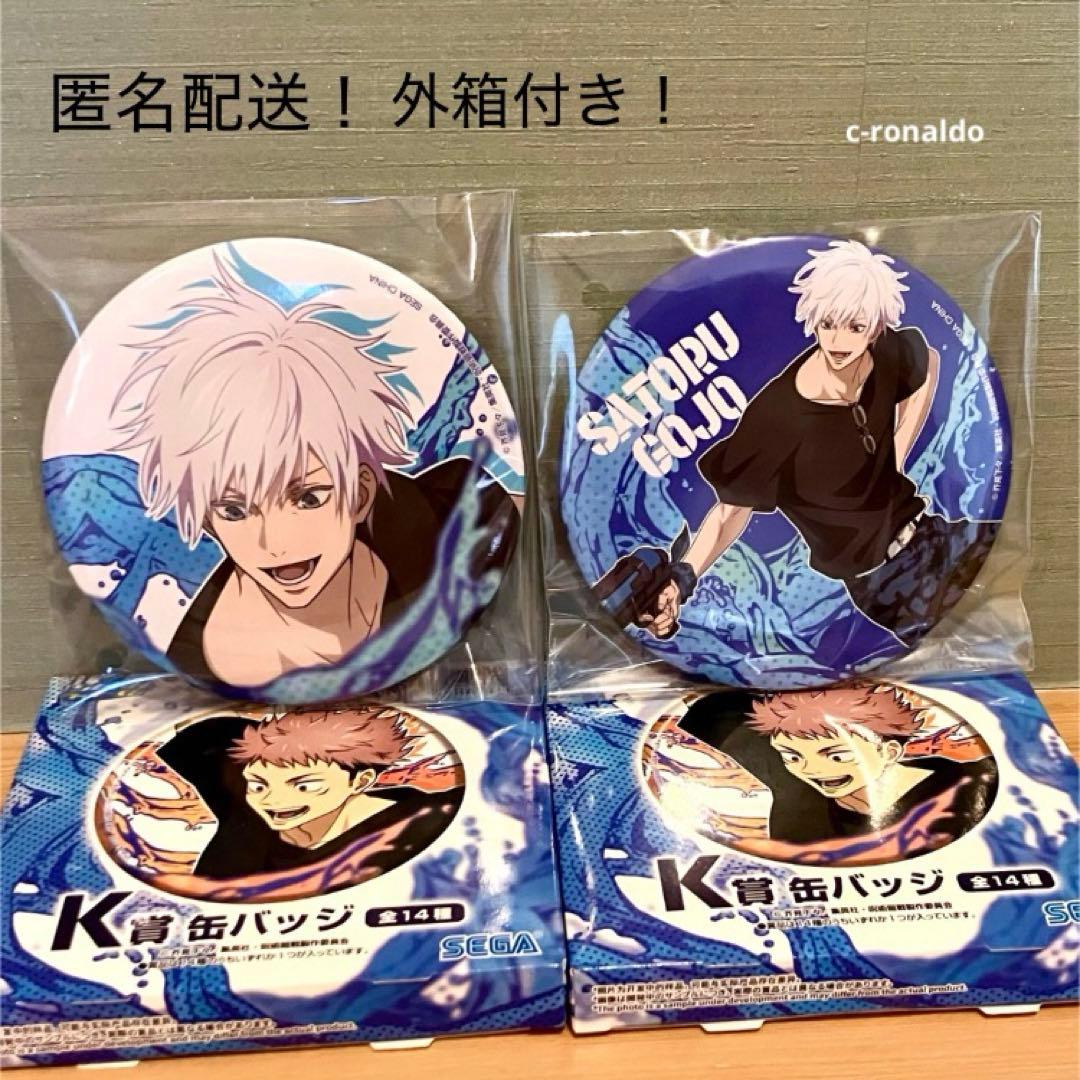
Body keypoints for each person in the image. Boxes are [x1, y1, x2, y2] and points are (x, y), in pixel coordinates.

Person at [111, 250, 518, 686]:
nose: (276, 544)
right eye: (234, 510)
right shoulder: (204, 655)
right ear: (208, 520)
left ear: (360, 494)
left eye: (308, 498)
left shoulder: (444, 518)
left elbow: (504, 504)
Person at [630, 239, 994, 647]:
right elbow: (729, 511)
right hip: (888, 583)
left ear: (876, 327)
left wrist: (897, 452)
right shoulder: (776, 417)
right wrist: (681, 580)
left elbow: (928, 361)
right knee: (974, 649)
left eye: (855, 327)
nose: (838, 341)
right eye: (828, 324)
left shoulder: (882, 354)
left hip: (936, 533)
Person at [156, 706, 464, 879]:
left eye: (304, 786)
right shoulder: (243, 812)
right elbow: (204, 735)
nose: (272, 800)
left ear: (360, 781)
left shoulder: (428, 821)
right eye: (258, 785)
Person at [678, 685, 997, 845]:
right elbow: (714, 713)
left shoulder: (970, 787)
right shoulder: (794, 785)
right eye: (792, 756)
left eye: (836, 755)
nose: (813, 770)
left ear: (889, 751)